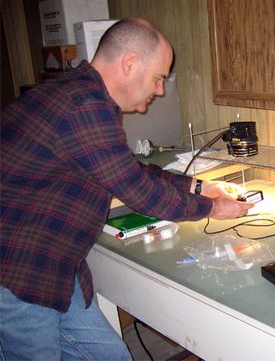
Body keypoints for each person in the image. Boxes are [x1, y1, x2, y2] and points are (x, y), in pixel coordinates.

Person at [0, 18, 254, 360]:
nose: (161, 90)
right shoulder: (84, 106)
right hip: (19, 271)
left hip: (54, 264)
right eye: (158, 78)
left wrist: (199, 186)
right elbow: (139, 192)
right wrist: (213, 209)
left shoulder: (81, 94)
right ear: (130, 63)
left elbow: (126, 169)